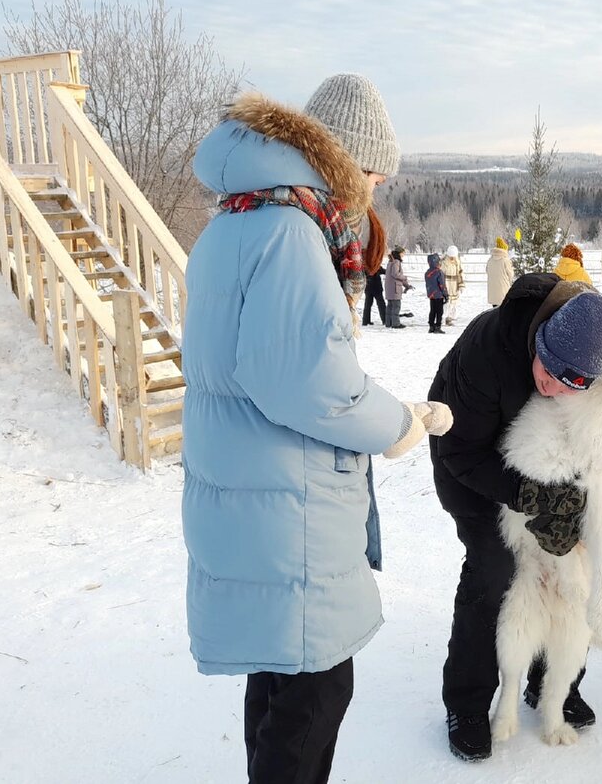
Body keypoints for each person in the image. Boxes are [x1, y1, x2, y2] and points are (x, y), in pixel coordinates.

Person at [181, 73, 454, 784]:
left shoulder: (238, 219)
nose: (375, 188)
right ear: (338, 161)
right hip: (286, 502)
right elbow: (304, 381)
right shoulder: (290, 233)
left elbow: (283, 361)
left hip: (257, 488)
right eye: (371, 173)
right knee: (317, 688)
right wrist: (397, 423)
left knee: (281, 676)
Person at [428, 279, 602, 761]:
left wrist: (573, 504)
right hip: (474, 469)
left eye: (572, 381)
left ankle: (552, 684)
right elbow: (459, 451)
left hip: (552, 472)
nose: (552, 384)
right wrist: (529, 495)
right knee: (495, 570)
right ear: (539, 338)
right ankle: (468, 701)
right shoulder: (487, 350)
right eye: (548, 368)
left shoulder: (598, 355)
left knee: (574, 569)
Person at [384, 246, 412, 327]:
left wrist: (407, 285)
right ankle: (396, 323)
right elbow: (395, 274)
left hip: (389, 288)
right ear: (399, 253)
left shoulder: (390, 262)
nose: (403, 254)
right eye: (403, 253)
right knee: (396, 306)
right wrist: (404, 277)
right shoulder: (396, 262)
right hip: (395, 288)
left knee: (390, 306)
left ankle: (388, 323)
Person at [441, 244, 466, 325]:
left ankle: (450, 318)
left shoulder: (457, 262)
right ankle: (442, 317)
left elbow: (460, 274)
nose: (452, 258)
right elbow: (440, 274)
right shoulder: (443, 263)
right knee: (446, 302)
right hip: (446, 284)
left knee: (454, 303)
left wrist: (461, 284)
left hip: (454, 285)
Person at [486, 237, 515, 307]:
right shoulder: (505, 261)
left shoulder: (490, 260)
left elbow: (487, 271)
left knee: (495, 310)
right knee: (503, 311)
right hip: (503, 292)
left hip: (492, 292)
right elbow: (511, 275)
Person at [361, 252, 386, 326]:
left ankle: (365, 321)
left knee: (367, 304)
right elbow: (382, 270)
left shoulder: (363, 265)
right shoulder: (374, 264)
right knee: (381, 304)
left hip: (368, 287)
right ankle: (384, 319)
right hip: (376, 287)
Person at [425, 252, 447, 334]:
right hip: (439, 295)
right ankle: (438, 326)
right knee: (439, 312)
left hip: (431, 295)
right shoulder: (439, 272)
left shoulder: (427, 273)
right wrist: (445, 294)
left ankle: (431, 326)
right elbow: (442, 285)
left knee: (432, 311)